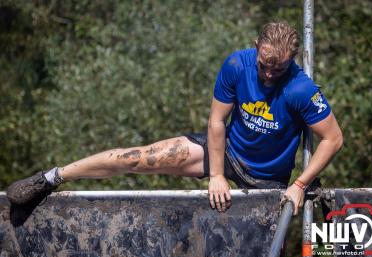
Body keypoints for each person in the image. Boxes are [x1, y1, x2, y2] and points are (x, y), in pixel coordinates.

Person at [6, 22, 343, 215]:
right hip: (226, 156)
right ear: (256, 46)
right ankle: (50, 178)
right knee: (138, 157)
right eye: (265, 63)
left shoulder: (301, 88)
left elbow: (333, 138)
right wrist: (216, 176)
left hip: (270, 180)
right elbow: (216, 123)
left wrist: (300, 184)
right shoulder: (237, 65)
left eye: (278, 67)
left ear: (292, 60)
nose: (269, 73)